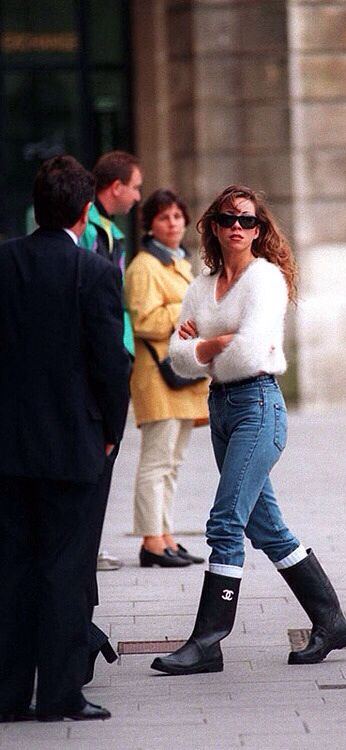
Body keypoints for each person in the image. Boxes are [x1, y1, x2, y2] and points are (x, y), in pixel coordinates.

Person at [150, 185, 346, 676]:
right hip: (221, 407)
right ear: (214, 227)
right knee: (266, 528)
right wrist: (217, 343)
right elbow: (177, 359)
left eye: (247, 221)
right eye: (228, 219)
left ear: (259, 230)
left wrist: (204, 342)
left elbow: (249, 351)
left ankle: (208, 641)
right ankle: (332, 622)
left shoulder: (266, 280)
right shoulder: (201, 286)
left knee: (225, 521)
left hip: (258, 407)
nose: (237, 228)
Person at [0, 155, 130, 720]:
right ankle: (58, 695)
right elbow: (110, 364)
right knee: (63, 570)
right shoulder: (95, 273)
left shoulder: (4, 262)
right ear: (85, 211)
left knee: (11, 568)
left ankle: (7, 696)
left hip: (8, 445)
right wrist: (112, 432)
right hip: (75, 443)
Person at [125, 189, 209, 568]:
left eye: (177, 216)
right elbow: (143, 321)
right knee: (156, 462)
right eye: (164, 218)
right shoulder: (145, 266)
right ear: (150, 224)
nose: (173, 223)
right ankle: (150, 541)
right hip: (158, 376)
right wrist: (185, 313)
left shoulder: (181, 262)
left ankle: (165, 536)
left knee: (172, 463)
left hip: (180, 375)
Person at [79, 149, 142, 573]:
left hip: (115, 351)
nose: (138, 196)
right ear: (115, 187)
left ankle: (90, 543)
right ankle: (86, 546)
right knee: (99, 454)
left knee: (108, 454)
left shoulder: (109, 230)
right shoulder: (91, 231)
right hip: (101, 356)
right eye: (135, 187)